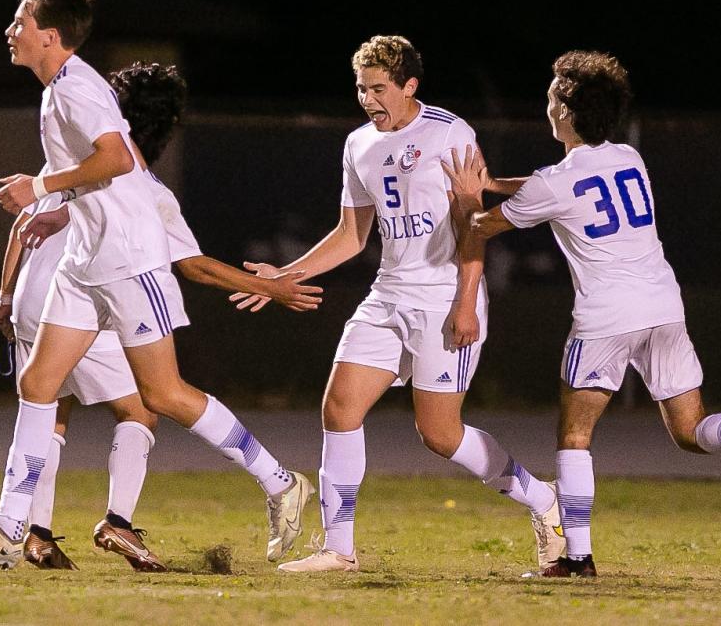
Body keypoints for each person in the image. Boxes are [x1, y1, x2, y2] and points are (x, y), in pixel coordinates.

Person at [0, 0, 317, 570]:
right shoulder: (59, 87)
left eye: (21, 22)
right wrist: (54, 205)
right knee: (38, 385)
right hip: (85, 265)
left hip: (129, 264)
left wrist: (40, 185)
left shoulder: (77, 87)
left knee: (162, 395)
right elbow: (105, 167)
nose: (10, 31)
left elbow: (112, 159)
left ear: (51, 36)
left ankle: (281, 482)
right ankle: (10, 526)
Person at [444, 49, 721, 578]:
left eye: (554, 94)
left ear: (565, 111)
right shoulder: (629, 158)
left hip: (606, 318)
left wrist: (468, 199)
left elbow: (483, 226)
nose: (548, 102)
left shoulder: (556, 181)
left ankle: (577, 558)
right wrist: (492, 183)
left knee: (575, 437)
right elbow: (551, 187)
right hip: (663, 307)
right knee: (691, 432)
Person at [230, 35, 564, 573]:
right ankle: (339, 550)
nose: (367, 99)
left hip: (443, 297)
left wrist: (466, 303)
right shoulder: (358, 143)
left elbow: (473, 227)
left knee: (440, 434)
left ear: (409, 86)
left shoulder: (450, 133)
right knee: (339, 409)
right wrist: (283, 277)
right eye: (361, 88)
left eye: (378, 88)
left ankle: (543, 500)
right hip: (387, 295)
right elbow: (350, 234)